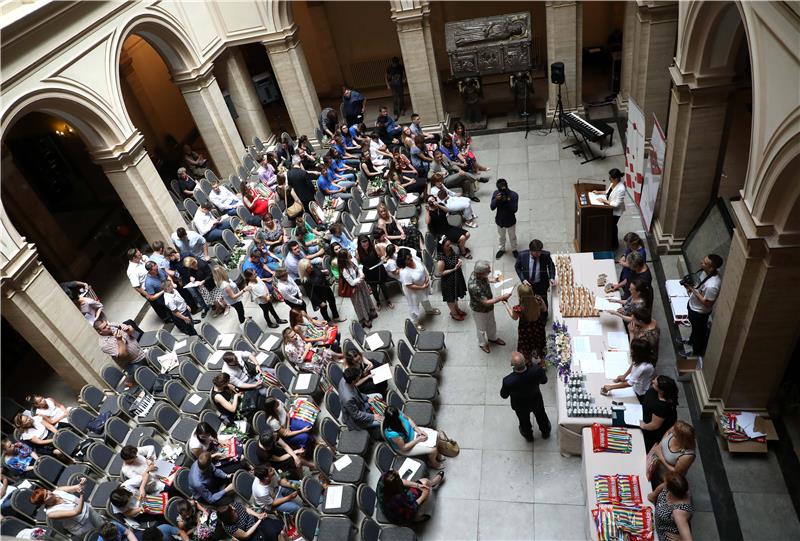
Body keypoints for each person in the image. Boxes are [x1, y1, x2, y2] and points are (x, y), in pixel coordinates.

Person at [680, 254, 723, 359]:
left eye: (704, 263)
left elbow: (708, 303)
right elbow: (700, 286)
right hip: (693, 305)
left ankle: (696, 351)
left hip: (699, 312)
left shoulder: (713, 285)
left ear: (711, 267)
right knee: (695, 329)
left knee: (699, 332)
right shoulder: (705, 272)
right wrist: (692, 288)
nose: (701, 262)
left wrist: (693, 290)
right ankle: (691, 340)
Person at [500, 351, 551, 441]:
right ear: (525, 361)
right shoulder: (537, 370)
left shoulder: (508, 381)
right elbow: (544, 381)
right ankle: (545, 432)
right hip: (536, 400)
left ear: (512, 364)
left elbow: (504, 395)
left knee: (524, 421)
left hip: (520, 405)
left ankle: (528, 436)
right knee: (541, 416)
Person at [31, 478, 105, 537]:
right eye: (46, 495)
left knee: (105, 528)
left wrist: (82, 482)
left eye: (47, 491)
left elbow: (78, 487)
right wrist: (81, 495)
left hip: (88, 510)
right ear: (43, 503)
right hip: (82, 526)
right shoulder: (51, 513)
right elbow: (76, 512)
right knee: (98, 537)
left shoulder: (58, 491)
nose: (50, 493)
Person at [468, 260, 510, 354]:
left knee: (491, 323)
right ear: (480, 273)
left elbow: (486, 279)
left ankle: (492, 338)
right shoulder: (474, 286)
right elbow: (486, 302)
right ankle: (482, 344)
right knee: (481, 328)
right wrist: (502, 297)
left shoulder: (478, 274)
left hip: (489, 308)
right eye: (488, 271)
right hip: (479, 310)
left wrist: (495, 280)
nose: (490, 272)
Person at [376, 469, 444, 525]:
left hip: (398, 504)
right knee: (426, 490)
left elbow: (401, 481)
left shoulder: (384, 479)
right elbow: (411, 509)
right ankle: (417, 519)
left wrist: (417, 485)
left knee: (424, 483)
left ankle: (431, 483)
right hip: (402, 515)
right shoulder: (397, 499)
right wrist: (424, 495)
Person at [396, 248, 440, 331]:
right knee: (414, 307)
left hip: (423, 285)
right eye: (408, 259)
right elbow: (409, 285)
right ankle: (415, 322)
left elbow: (422, 267)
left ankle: (429, 310)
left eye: (410, 257)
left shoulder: (414, 259)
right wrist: (421, 287)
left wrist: (426, 277)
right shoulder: (404, 272)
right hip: (412, 292)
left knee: (425, 299)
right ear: (403, 261)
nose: (411, 259)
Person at [502, 283, 548, 363]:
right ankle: (543, 362)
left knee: (526, 346)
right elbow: (544, 309)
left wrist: (506, 304)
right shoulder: (539, 300)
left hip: (525, 331)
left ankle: (528, 361)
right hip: (538, 327)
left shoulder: (518, 308)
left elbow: (514, 317)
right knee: (540, 343)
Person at [127, 248, 171, 324]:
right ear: (134, 258)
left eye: (140, 252)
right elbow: (136, 286)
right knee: (158, 305)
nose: (141, 254)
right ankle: (166, 318)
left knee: (165, 300)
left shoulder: (142, 259)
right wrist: (148, 295)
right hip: (147, 288)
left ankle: (171, 312)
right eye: (139, 255)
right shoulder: (132, 270)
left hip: (155, 281)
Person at [337, 250, 378, 329]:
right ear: (345, 258)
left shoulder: (352, 261)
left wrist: (361, 273)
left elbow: (358, 268)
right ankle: (365, 319)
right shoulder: (344, 270)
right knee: (360, 304)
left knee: (366, 299)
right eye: (348, 255)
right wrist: (360, 278)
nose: (350, 256)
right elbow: (351, 283)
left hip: (361, 285)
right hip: (355, 289)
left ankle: (370, 313)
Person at [640, 375, 679, 450]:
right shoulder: (654, 391)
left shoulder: (662, 406)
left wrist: (643, 426)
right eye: (655, 379)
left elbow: (655, 425)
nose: (652, 381)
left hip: (651, 432)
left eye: (655, 383)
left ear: (661, 390)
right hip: (643, 415)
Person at [652, 472, 694, 541]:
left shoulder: (679, 512)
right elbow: (663, 487)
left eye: (665, 482)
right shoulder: (678, 488)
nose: (663, 483)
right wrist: (654, 494)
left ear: (670, 489)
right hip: (656, 527)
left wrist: (681, 539)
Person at [338, 366, 382, 431]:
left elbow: (357, 392)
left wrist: (367, 398)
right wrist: (373, 417)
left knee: (379, 396)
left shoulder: (345, 379)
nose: (359, 377)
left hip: (360, 403)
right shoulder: (348, 399)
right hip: (356, 419)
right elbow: (357, 415)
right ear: (353, 381)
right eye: (358, 377)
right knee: (382, 420)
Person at [592, 168, 626, 250]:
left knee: (612, 227)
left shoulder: (621, 189)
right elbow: (608, 192)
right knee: (610, 227)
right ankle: (609, 242)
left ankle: (614, 244)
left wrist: (604, 201)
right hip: (609, 208)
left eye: (610, 178)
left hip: (615, 212)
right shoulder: (613, 183)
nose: (609, 179)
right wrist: (599, 192)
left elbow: (617, 204)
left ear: (616, 178)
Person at [357, 235, 394, 310]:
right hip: (368, 271)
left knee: (383, 286)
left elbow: (381, 256)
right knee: (373, 289)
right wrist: (361, 272)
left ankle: (388, 300)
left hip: (378, 269)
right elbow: (359, 263)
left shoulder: (375, 247)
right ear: (360, 243)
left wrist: (383, 258)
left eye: (366, 241)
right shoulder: (358, 252)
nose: (365, 244)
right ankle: (378, 302)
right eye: (363, 242)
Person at [435, 237, 467, 320]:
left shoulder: (450, 250)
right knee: (451, 299)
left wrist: (459, 260)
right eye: (447, 245)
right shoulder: (441, 260)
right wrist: (454, 269)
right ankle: (453, 313)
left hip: (456, 276)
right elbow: (440, 273)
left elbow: (455, 257)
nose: (450, 246)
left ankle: (457, 309)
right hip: (448, 281)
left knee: (455, 295)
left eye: (450, 244)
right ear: (442, 247)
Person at [491, 178, 519, 259]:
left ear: (507, 186)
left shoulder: (514, 195)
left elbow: (514, 209)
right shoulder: (496, 193)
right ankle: (502, 249)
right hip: (500, 220)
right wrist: (496, 199)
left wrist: (507, 200)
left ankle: (514, 249)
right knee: (501, 236)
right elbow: (492, 207)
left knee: (512, 236)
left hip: (510, 221)